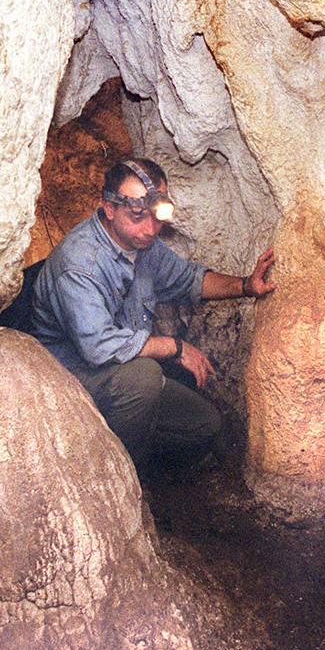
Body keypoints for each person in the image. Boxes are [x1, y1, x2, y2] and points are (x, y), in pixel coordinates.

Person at [29, 157, 275, 465]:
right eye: (136, 216)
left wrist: (245, 285)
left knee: (204, 425)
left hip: (116, 374)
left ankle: (118, 446)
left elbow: (190, 281)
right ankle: (110, 471)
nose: (149, 229)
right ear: (109, 208)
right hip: (67, 380)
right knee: (145, 376)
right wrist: (175, 347)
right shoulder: (80, 266)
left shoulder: (142, 245)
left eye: (157, 218)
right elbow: (98, 347)